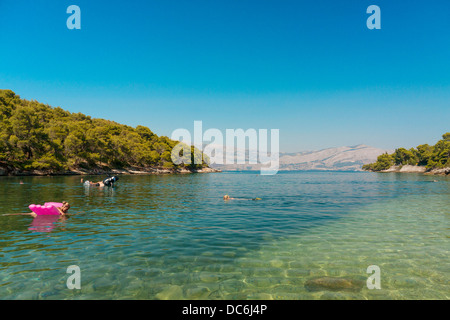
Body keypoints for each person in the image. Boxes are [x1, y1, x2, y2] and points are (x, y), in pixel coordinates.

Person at [3, 201, 71, 218]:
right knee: (23, 214)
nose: (65, 209)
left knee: (24, 214)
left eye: (67, 209)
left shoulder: (62, 209)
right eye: (65, 208)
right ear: (63, 206)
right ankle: (7, 214)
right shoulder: (58, 208)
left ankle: (7, 214)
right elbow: (62, 214)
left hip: (39, 213)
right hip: (37, 213)